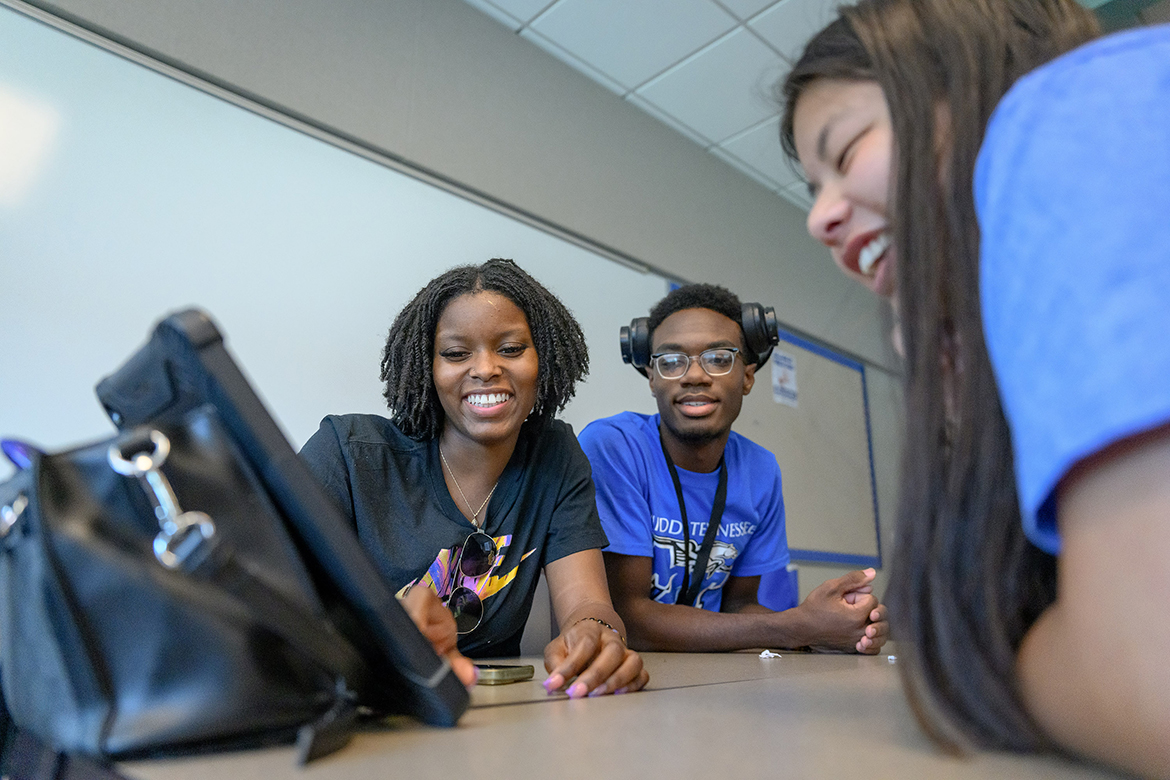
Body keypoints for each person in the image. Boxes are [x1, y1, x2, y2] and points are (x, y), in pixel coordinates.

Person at [783, 2, 1170, 777]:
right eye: (810, 187)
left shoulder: (1071, 107)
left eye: (846, 148)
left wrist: (1006, 670)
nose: (818, 219)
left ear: (964, 82)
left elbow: (1144, 677)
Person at [300, 258, 647, 698]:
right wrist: (383, 624)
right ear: (427, 367)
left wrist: (596, 635)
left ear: (544, 358)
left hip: (496, 718)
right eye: (455, 353)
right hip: (361, 705)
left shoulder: (555, 456)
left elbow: (586, 602)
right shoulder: (348, 452)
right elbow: (272, 597)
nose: (485, 368)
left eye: (511, 348)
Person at [578, 283, 889, 654]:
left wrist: (830, 629)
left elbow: (739, 606)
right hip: (629, 674)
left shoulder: (760, 469)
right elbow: (627, 616)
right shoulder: (615, 445)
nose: (694, 375)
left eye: (719, 358)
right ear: (652, 377)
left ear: (747, 376)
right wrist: (798, 627)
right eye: (672, 361)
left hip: (715, 677)